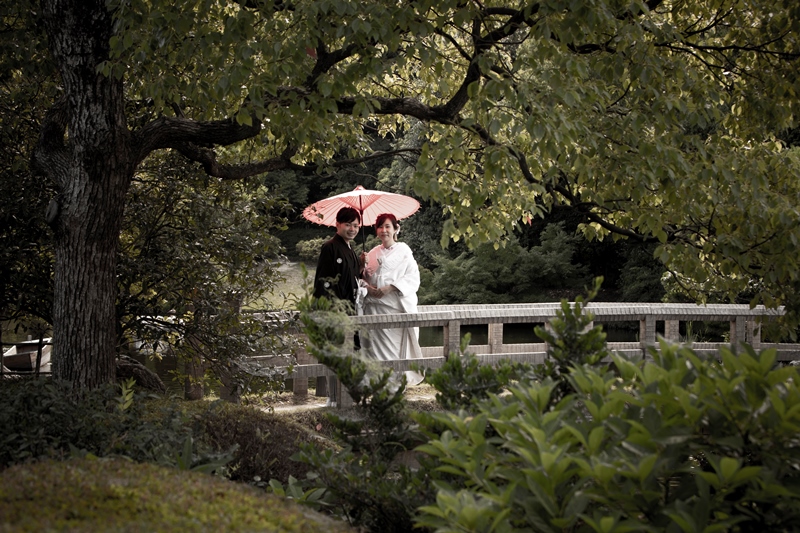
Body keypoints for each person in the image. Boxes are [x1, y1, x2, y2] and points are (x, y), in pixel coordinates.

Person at [362, 213, 424, 386]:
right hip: (376, 310)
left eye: (388, 226)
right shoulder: (372, 253)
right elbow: (364, 279)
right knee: (376, 353)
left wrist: (390, 287)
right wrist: (362, 268)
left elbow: (413, 278)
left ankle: (395, 386)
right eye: (380, 227)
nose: (384, 230)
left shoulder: (404, 251)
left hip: (396, 309)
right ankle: (379, 386)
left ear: (396, 229)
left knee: (396, 351)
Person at [313, 206, 366, 406]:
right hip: (334, 310)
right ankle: (333, 397)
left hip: (350, 309)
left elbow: (350, 279)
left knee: (349, 352)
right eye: (348, 224)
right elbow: (323, 282)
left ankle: (345, 395)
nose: (352, 229)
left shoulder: (351, 250)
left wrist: (360, 265)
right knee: (335, 353)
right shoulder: (330, 247)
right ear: (338, 224)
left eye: (356, 226)